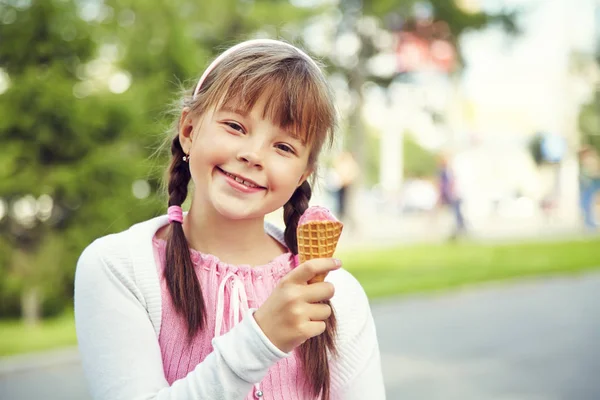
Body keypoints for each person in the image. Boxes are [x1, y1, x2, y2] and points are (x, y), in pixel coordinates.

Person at [74, 39, 385, 400]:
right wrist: (261, 339)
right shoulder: (120, 267)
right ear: (189, 131)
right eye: (236, 126)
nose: (253, 155)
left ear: (302, 174)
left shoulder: (334, 293)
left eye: (284, 147)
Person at [436, 154, 466, 238]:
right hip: (448, 196)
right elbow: (441, 185)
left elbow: (450, 183)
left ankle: (459, 228)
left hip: (452, 195)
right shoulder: (442, 172)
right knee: (453, 213)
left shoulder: (449, 171)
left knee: (456, 213)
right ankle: (458, 228)